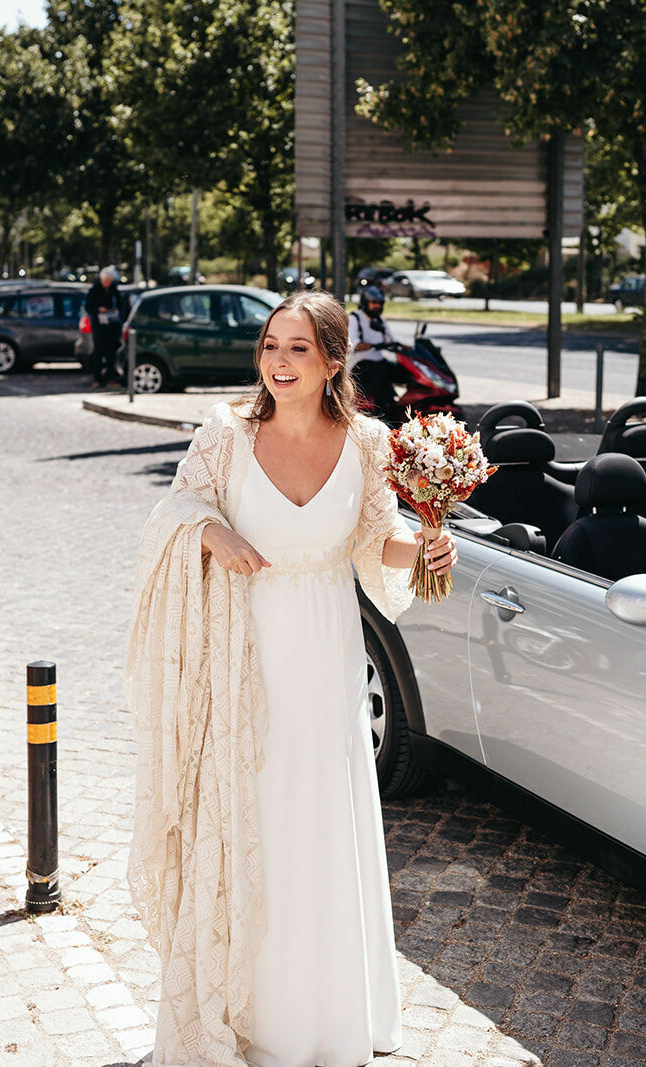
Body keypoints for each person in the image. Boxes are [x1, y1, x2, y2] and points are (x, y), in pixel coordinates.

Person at [127, 290, 457, 1066]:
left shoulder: (370, 442)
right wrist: (209, 531)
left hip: (328, 649)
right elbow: (172, 511)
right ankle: (257, 1014)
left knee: (322, 810)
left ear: (333, 360)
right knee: (257, 811)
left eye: (298, 349)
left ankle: (330, 1017)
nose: (278, 362)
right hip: (244, 649)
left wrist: (431, 549)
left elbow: (381, 538)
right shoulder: (225, 434)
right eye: (271, 345)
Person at [348, 284, 399, 415]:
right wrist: (372, 345)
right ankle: (379, 411)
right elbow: (353, 344)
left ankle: (397, 406)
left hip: (378, 360)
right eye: (374, 303)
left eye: (380, 303)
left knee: (402, 371)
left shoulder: (380, 320)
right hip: (359, 363)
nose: (378, 306)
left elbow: (390, 341)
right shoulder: (354, 318)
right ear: (365, 303)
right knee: (378, 371)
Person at [86, 265, 123, 387]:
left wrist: (115, 310)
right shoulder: (94, 291)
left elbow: (120, 304)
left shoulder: (114, 290)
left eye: (109, 281)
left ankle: (110, 378)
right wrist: (98, 309)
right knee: (98, 353)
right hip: (99, 327)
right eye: (105, 281)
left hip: (112, 326)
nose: (107, 283)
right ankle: (97, 379)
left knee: (111, 354)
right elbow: (88, 307)